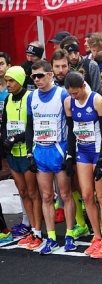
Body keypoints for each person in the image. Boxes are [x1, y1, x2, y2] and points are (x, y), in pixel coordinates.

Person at [25, 60, 75, 255]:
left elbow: (71, 127)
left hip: (59, 150)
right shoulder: (32, 97)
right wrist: (30, 152)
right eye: (33, 76)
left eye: (40, 75)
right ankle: (51, 237)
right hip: (40, 151)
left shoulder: (62, 95)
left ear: (50, 75)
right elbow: (29, 125)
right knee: (46, 196)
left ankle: (70, 234)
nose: (37, 79)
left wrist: (70, 154)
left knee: (65, 195)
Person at [63, 72, 102, 258]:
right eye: (71, 93)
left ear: (83, 86)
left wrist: (101, 160)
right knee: (87, 195)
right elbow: (70, 131)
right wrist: (69, 155)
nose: (74, 96)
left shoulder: (96, 100)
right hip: (82, 150)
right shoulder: (69, 102)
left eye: (76, 93)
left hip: (98, 150)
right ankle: (96, 237)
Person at [2, 66, 42, 250]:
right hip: (12, 153)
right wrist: (5, 142)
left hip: (26, 151)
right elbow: (4, 125)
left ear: (20, 80)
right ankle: (31, 229)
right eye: (6, 81)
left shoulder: (30, 97)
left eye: (11, 81)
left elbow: (31, 126)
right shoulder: (8, 98)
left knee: (33, 193)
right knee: (23, 192)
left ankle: (37, 231)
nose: (7, 84)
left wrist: (15, 139)